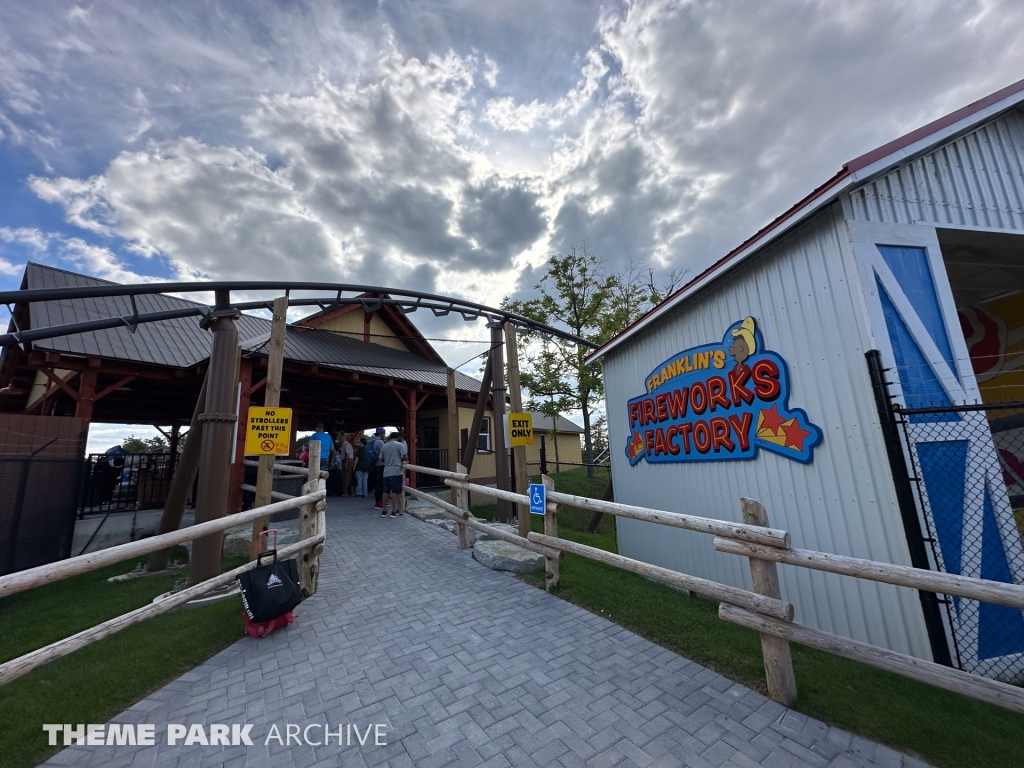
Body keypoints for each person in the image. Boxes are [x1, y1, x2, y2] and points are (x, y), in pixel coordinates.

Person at [379, 432, 407, 517]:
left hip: (386, 471)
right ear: (398, 437)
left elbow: (381, 459)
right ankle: (394, 511)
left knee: (385, 491)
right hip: (396, 471)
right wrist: (399, 460)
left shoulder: (384, 446)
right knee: (395, 491)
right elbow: (406, 457)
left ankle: (384, 511)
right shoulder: (399, 445)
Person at [371, 427, 387, 510]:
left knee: (378, 483)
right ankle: (379, 501)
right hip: (380, 464)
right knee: (380, 484)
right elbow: (384, 453)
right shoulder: (379, 442)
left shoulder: (372, 441)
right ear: (381, 433)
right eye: (384, 433)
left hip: (375, 464)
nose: (384, 435)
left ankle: (379, 500)